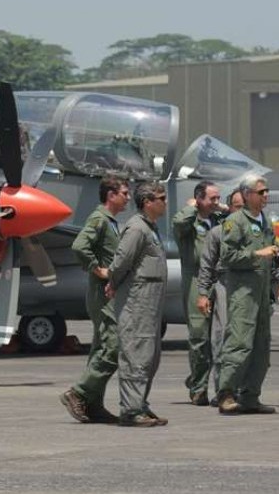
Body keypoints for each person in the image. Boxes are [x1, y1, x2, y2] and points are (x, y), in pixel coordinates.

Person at [216, 175, 279, 415]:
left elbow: (269, 253)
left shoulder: (265, 221)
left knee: (261, 348)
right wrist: (258, 254)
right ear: (247, 195)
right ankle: (226, 394)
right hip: (243, 294)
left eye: (266, 191)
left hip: (261, 294)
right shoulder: (235, 221)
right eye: (261, 192)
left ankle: (250, 396)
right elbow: (228, 257)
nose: (266, 195)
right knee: (239, 344)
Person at [60, 176, 130, 424]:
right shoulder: (100, 219)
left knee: (101, 348)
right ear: (110, 195)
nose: (128, 197)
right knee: (113, 347)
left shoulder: (110, 222)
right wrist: (96, 268)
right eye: (124, 192)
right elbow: (80, 246)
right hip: (103, 294)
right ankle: (78, 393)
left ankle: (92, 404)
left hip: (109, 293)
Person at [105, 181, 169, 427]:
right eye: (160, 198)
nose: (164, 202)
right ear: (147, 203)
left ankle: (140, 403)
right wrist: (113, 281)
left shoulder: (150, 228)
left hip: (151, 303)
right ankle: (130, 411)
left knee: (150, 356)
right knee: (136, 354)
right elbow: (121, 262)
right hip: (138, 302)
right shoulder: (137, 229)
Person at [172, 181, 222, 406]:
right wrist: (192, 207)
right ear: (199, 198)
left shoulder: (217, 221)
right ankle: (199, 388)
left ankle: (196, 379)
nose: (216, 202)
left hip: (217, 280)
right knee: (199, 336)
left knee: (219, 338)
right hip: (195, 280)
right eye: (212, 199)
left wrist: (222, 209)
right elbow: (179, 222)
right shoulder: (189, 223)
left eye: (218, 198)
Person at [195, 188, 245, 406]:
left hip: (249, 286)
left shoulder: (256, 231)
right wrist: (203, 293)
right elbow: (206, 266)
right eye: (236, 206)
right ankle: (222, 390)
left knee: (247, 339)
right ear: (229, 208)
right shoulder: (217, 233)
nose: (240, 211)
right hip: (225, 283)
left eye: (244, 206)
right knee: (222, 336)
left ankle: (245, 390)